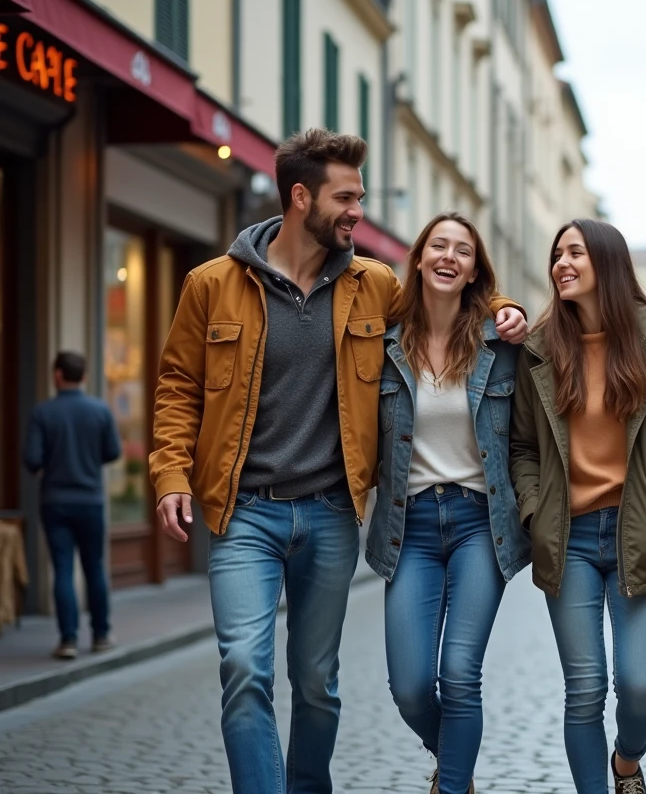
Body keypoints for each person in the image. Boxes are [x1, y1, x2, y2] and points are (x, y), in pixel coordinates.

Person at [149, 129, 526, 794]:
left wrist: (507, 310)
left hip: (329, 515)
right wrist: (172, 474)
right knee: (244, 668)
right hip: (242, 515)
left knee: (317, 684)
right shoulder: (211, 285)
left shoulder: (373, 285)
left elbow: (450, 303)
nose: (357, 209)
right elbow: (178, 387)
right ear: (301, 198)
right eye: (346, 197)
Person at [510, 218, 646, 794]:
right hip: (566, 538)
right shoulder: (538, 351)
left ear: (607, 264)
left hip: (636, 534)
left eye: (575, 253)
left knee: (640, 686)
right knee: (585, 688)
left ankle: (626, 762)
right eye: (556, 255)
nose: (561, 264)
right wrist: (533, 512)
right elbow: (520, 447)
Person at [364, 212, 529, 794]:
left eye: (463, 251)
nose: (449, 256)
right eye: (439, 245)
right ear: (418, 257)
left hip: (479, 523)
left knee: (460, 675)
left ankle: (452, 784)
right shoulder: (382, 342)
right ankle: (455, 758)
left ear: (474, 270)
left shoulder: (498, 345)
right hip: (406, 526)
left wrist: (511, 312)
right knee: (410, 686)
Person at [22, 351, 121, 660]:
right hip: (90, 500)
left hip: (55, 502)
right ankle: (102, 635)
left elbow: (32, 458)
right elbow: (113, 451)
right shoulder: (100, 410)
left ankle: (68, 640)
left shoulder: (43, 413)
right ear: (85, 377)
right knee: (94, 567)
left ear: (57, 375)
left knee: (63, 569)